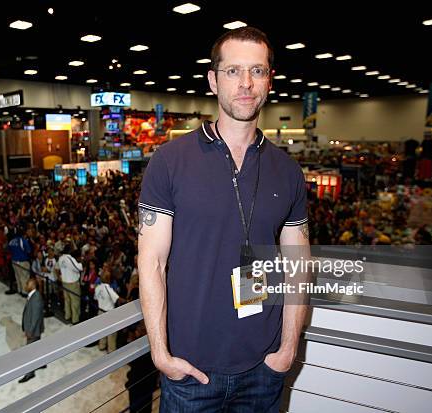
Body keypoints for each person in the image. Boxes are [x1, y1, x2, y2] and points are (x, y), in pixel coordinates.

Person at [137, 27, 310, 412]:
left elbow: (298, 262)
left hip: (264, 368)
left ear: (269, 80)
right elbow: (151, 261)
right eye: (233, 71)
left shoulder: (287, 171)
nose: (245, 83)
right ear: (214, 81)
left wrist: (288, 347)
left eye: (257, 71)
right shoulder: (170, 162)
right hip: (191, 370)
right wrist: (161, 354)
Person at [19, 278, 46, 383]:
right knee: (37, 347)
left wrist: (30, 331)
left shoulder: (36, 298)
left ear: (33, 286)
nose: (25, 285)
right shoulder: (32, 295)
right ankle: (40, 363)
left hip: (33, 330)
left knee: (29, 352)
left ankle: (30, 373)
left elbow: (35, 317)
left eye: (27, 284)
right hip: (34, 329)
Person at [94, 263, 124, 353]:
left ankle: (101, 345)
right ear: (107, 278)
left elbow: (95, 298)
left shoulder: (97, 287)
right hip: (109, 313)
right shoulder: (108, 288)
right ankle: (111, 350)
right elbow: (117, 298)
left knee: (102, 330)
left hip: (100, 311)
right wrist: (127, 301)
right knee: (111, 333)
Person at [57, 243, 82, 324]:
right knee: (75, 301)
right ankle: (75, 319)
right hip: (72, 282)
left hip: (65, 282)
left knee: (67, 300)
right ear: (70, 250)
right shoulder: (70, 258)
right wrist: (81, 263)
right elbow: (78, 268)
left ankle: (67, 315)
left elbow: (57, 268)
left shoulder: (61, 258)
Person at [8, 227, 32, 297]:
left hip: (14, 261)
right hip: (22, 261)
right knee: (24, 276)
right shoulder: (22, 240)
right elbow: (28, 250)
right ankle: (24, 292)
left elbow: (9, 250)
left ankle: (19, 290)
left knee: (17, 275)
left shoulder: (12, 241)